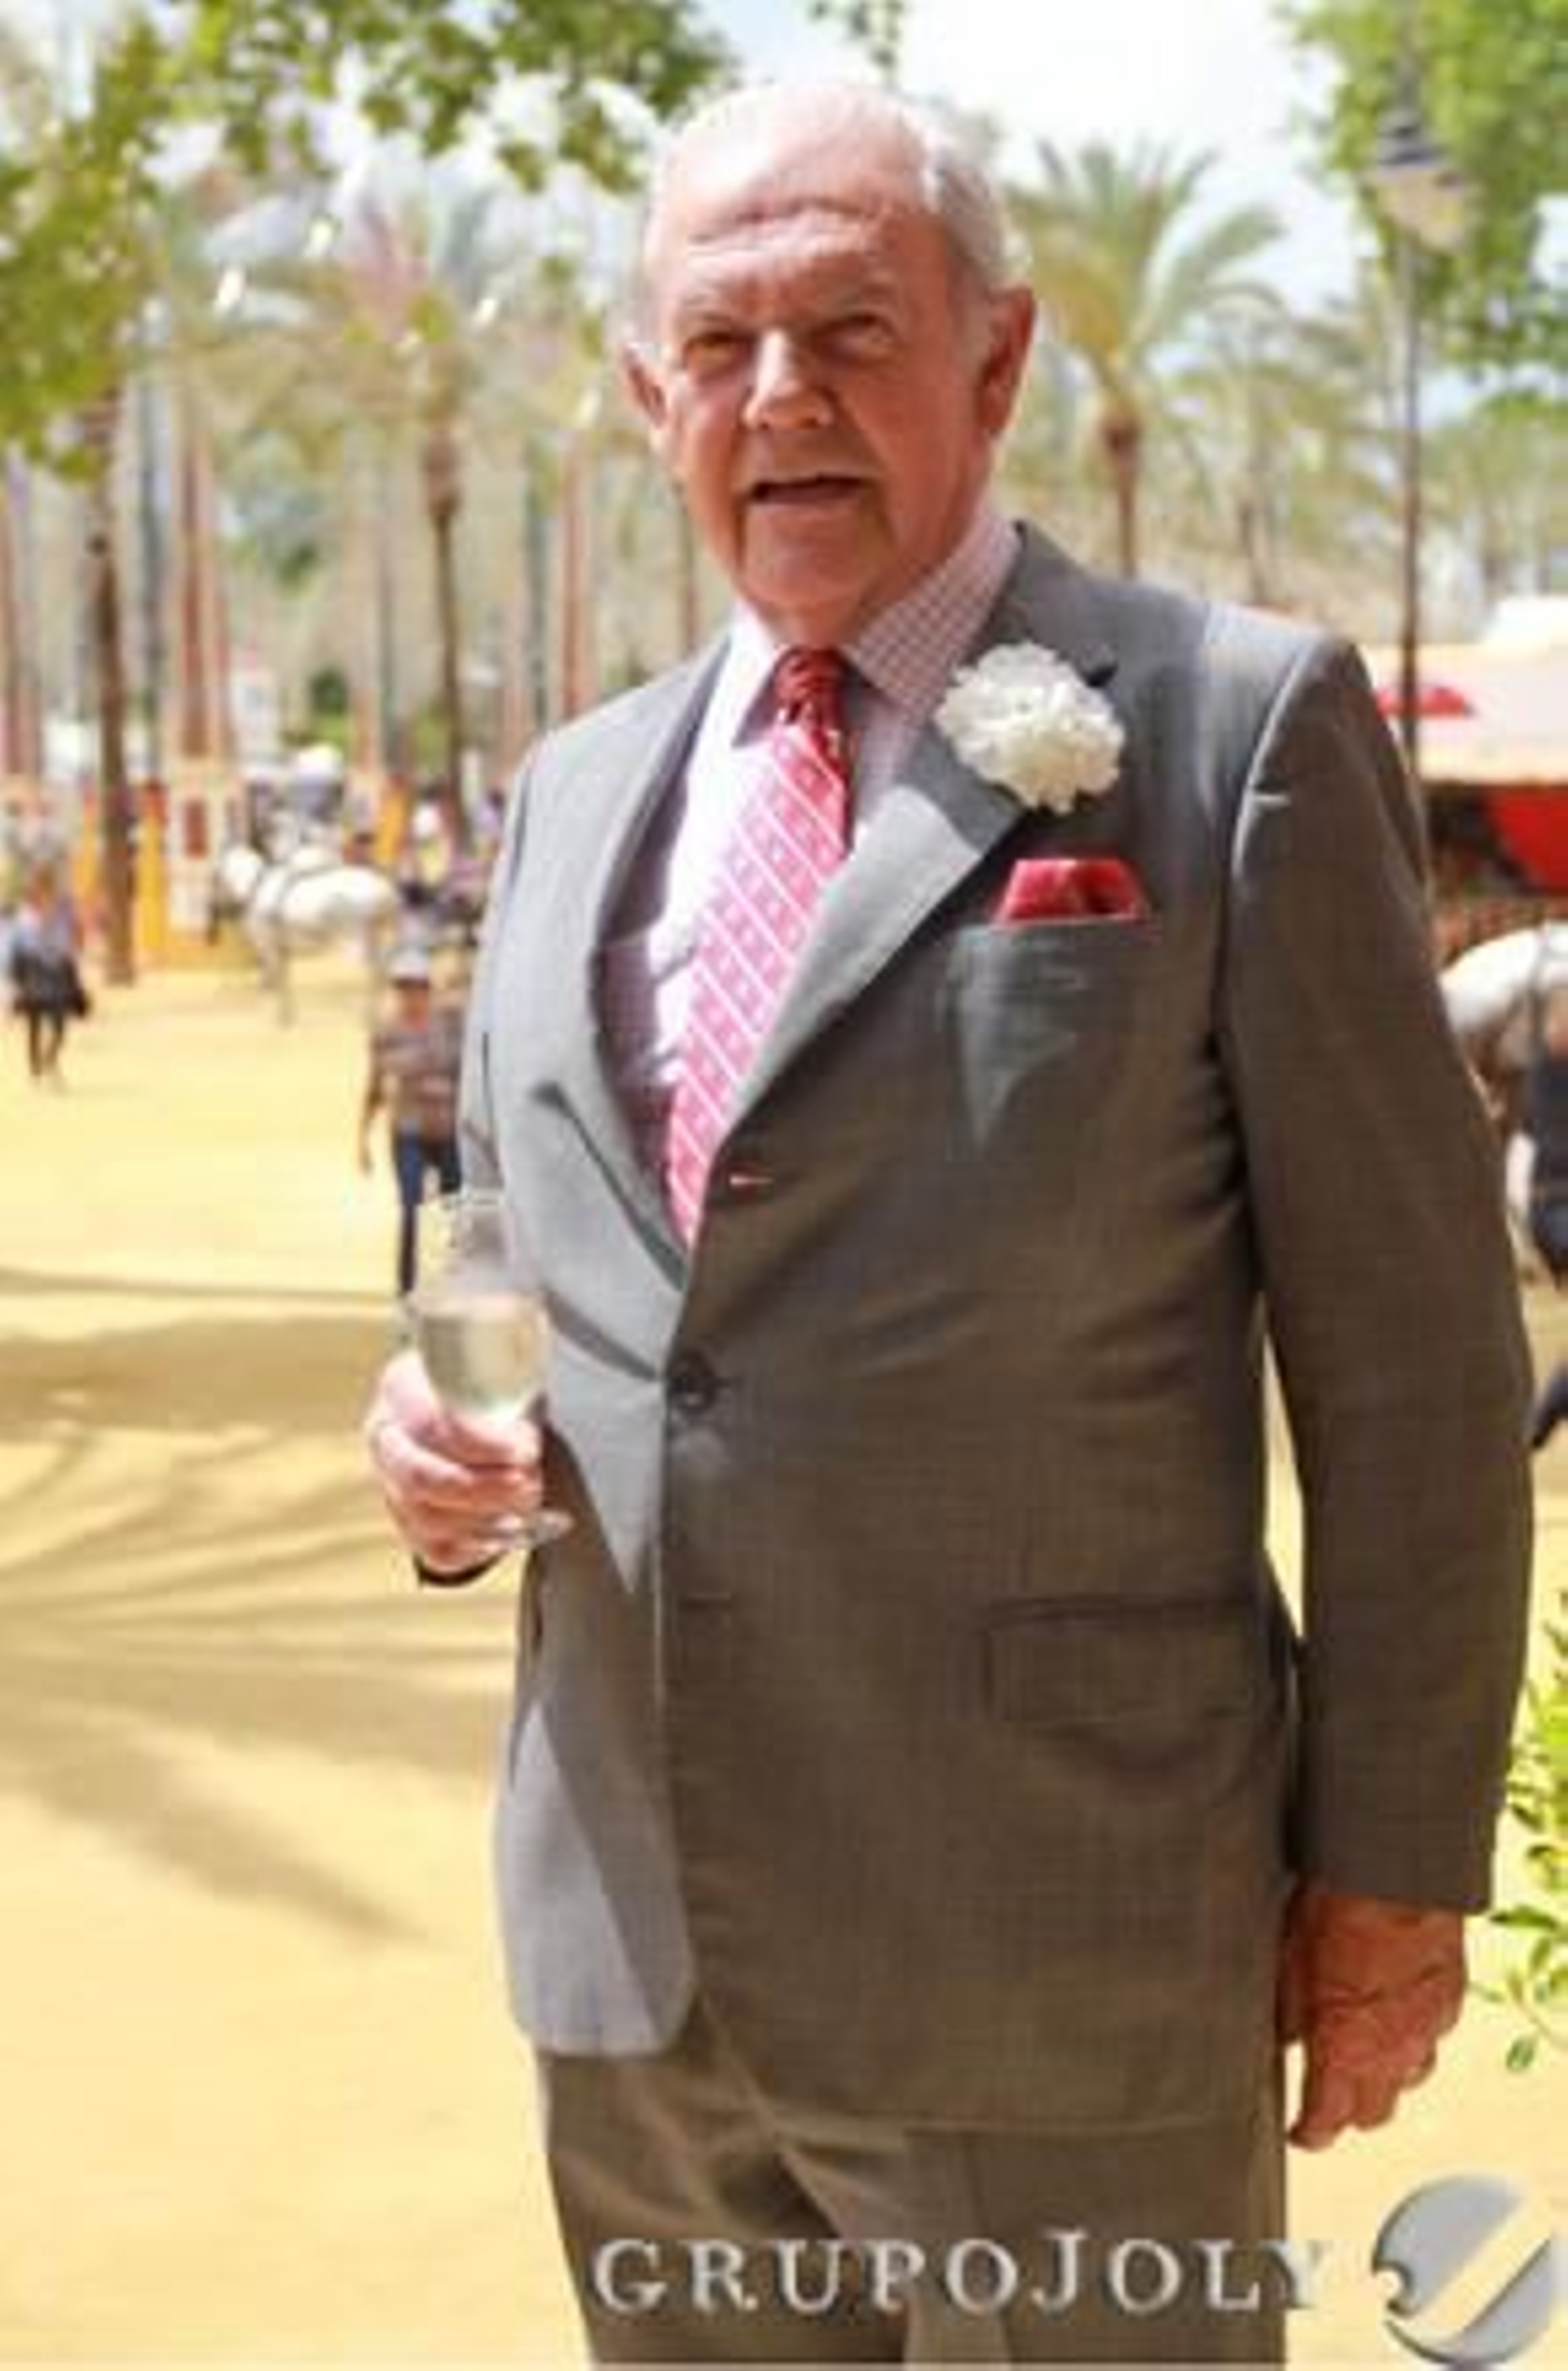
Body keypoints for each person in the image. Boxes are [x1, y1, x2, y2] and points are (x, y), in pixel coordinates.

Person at [364, 82, 1532, 2364]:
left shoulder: (1223, 730)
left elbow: (1410, 1372)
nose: (777, 395)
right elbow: (524, 1252)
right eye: (719, 343)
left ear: (991, 366)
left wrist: (1387, 1867)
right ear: (642, 393)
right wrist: (426, 1440)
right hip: (635, 1968)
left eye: (848, 326)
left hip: (1060, 1948)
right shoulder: (572, 792)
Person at [359, 946, 464, 1297]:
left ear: (427, 988)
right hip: (410, 1132)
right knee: (410, 1208)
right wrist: (361, 1138)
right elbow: (374, 1086)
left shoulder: (452, 1023)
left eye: (417, 985)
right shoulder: (386, 1032)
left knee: (456, 1212)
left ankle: (457, 1285)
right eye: (404, 986)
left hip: (449, 1132)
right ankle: (406, 1290)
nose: (411, 993)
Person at [9, 866, 88, 1087]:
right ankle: (35, 1070)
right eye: (40, 888)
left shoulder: (63, 912)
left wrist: (74, 947)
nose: (45, 893)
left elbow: (74, 938)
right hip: (34, 971)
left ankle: (49, 1059)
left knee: (60, 1023)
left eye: (48, 888)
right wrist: (15, 979)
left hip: (58, 972)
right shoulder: (24, 915)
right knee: (33, 1024)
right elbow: (18, 945)